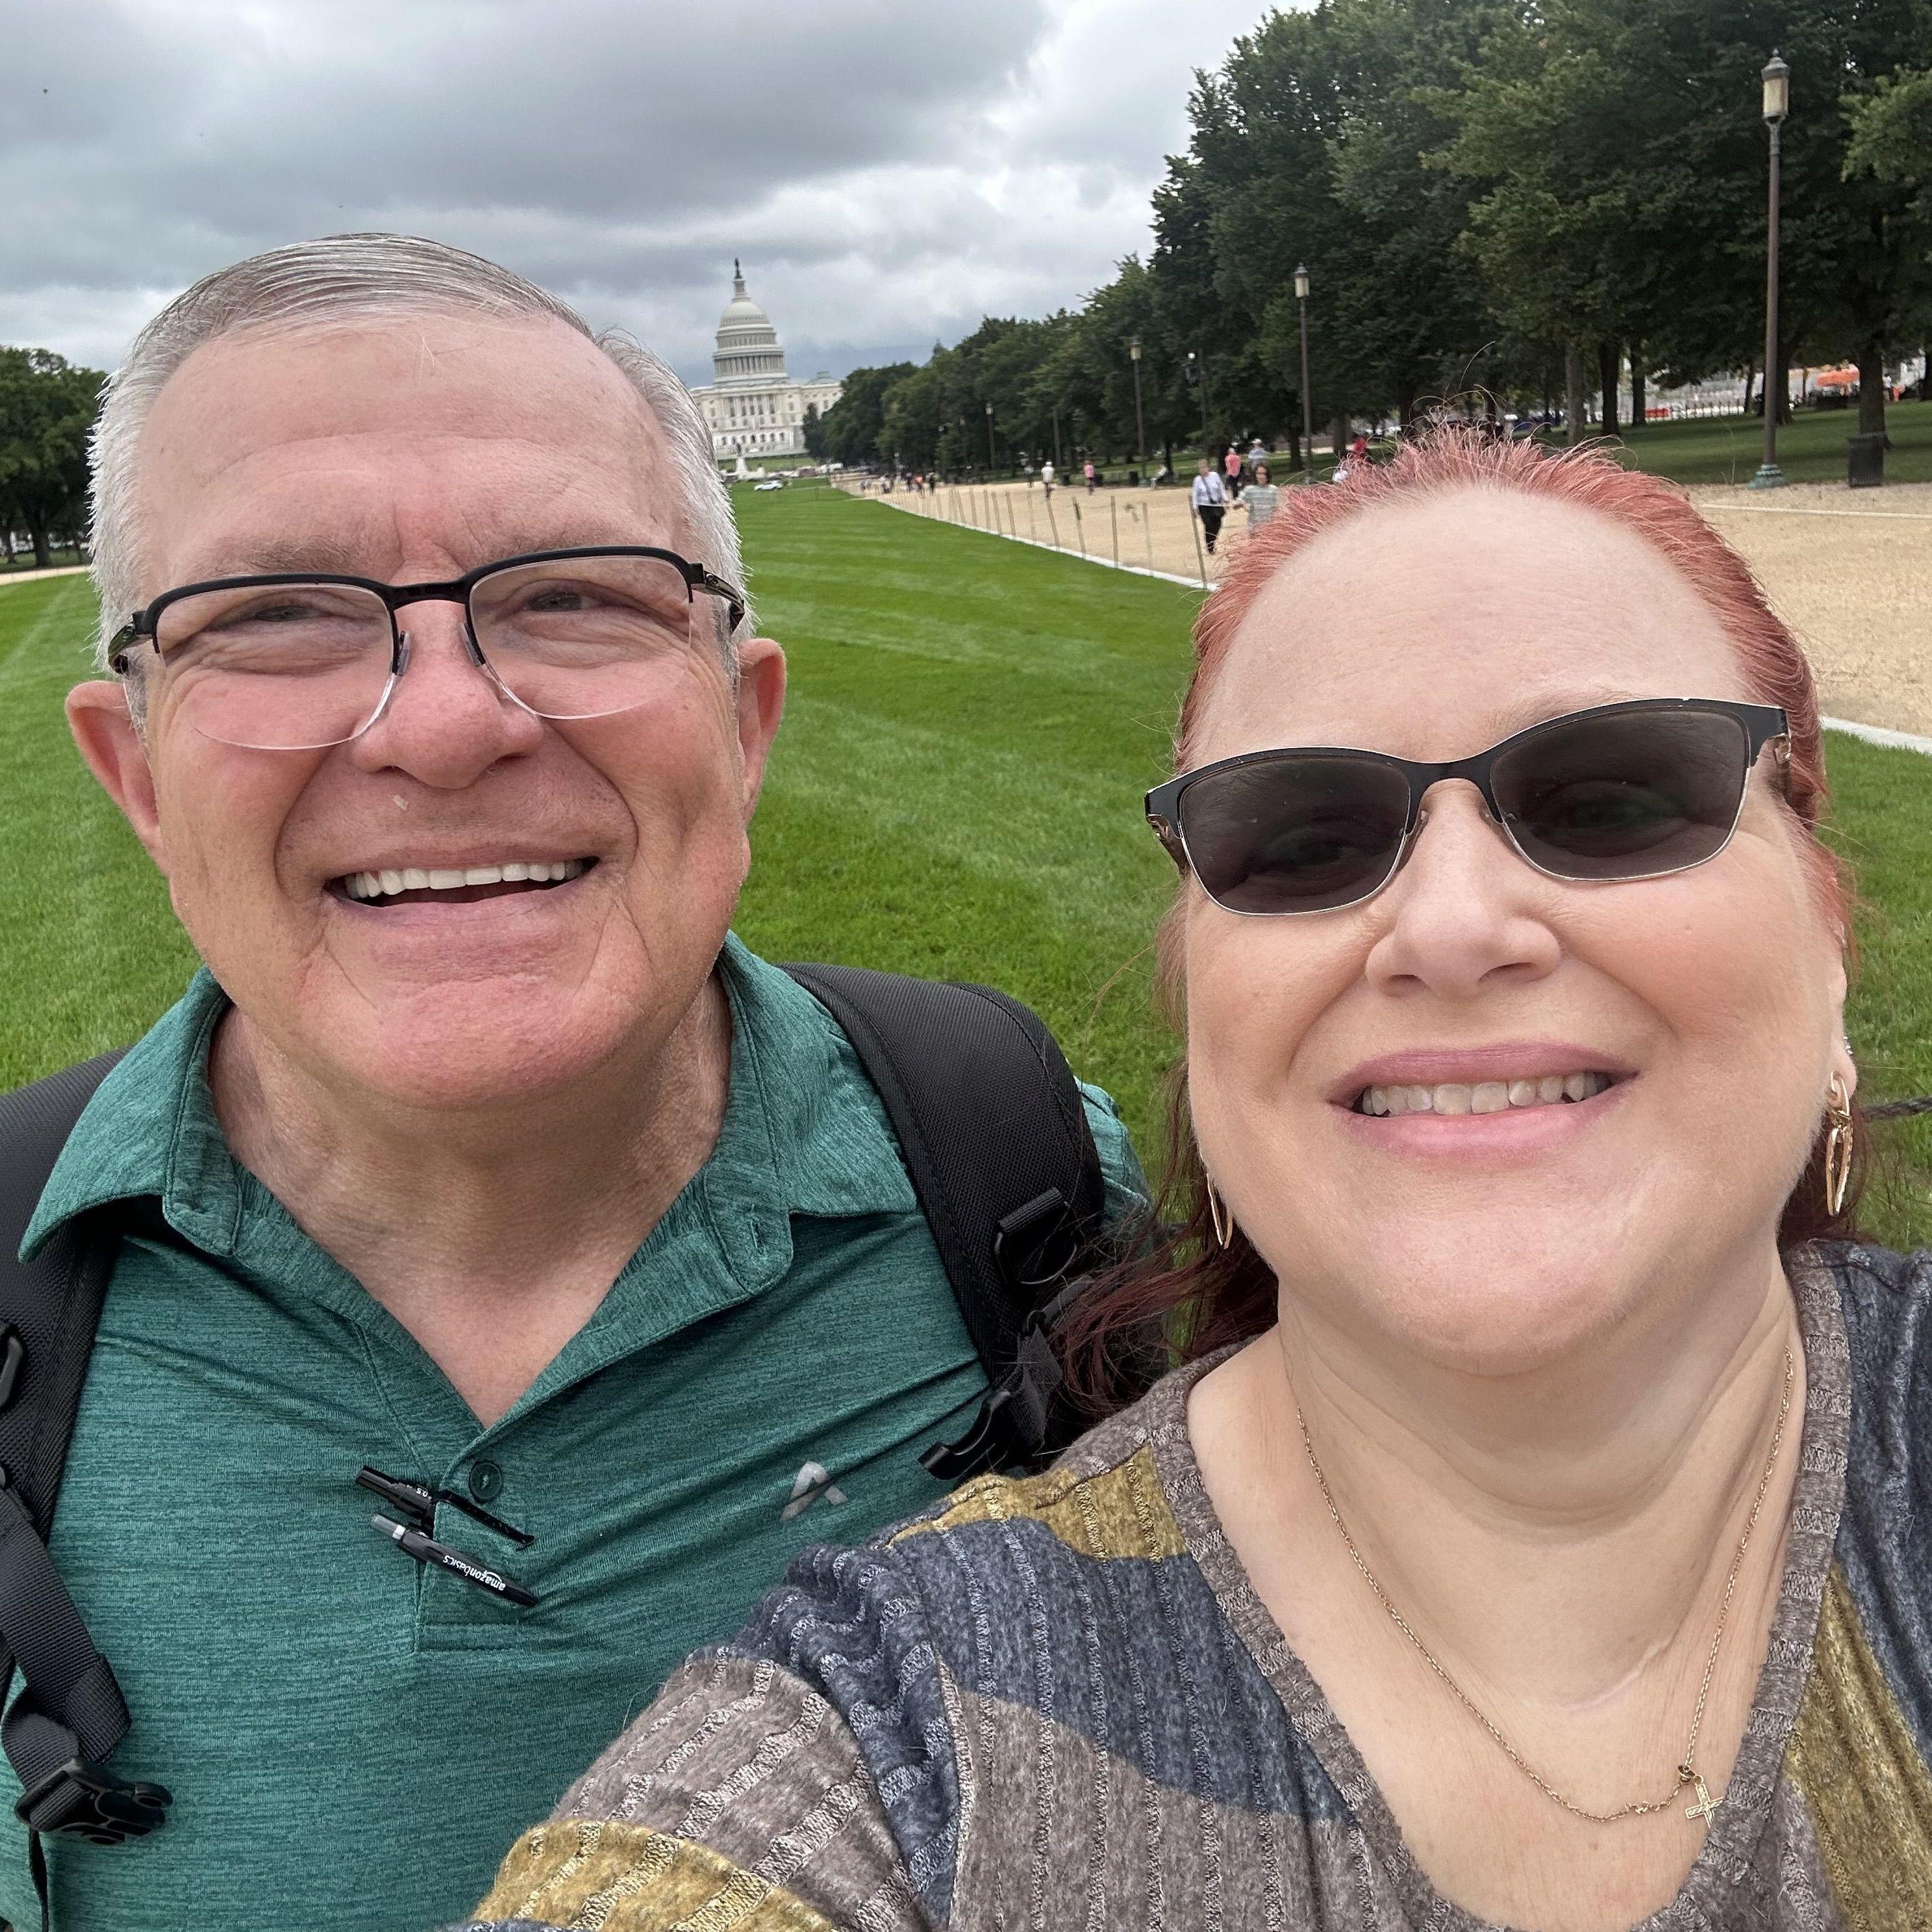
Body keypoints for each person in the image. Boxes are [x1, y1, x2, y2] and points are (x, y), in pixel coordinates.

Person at [463, 429, 1932, 1932]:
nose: (1451, 924)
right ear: (1201, 1005)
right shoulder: (894, 1744)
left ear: (1825, 942)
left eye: (1616, 797)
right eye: (1300, 837)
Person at [0, 233, 1144, 1932]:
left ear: (742, 723)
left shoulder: (1034, 1186)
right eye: (278, 615)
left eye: (573, 592)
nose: (443, 725)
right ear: (138, 773)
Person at [1192, 457, 1229, 553]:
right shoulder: (1198, 480)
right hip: (1204, 506)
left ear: (1208, 468)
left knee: (1218, 524)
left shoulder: (1215, 476)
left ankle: (1213, 540)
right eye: (1201, 468)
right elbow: (1195, 495)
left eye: (1204, 468)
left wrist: (1226, 499)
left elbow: (1221, 488)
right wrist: (1195, 508)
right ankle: (1210, 546)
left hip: (1216, 505)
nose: (1203, 470)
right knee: (1209, 525)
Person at [1243, 458, 1281, 530]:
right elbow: (1240, 502)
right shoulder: (1249, 489)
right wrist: (1244, 505)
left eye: (1264, 474)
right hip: (1254, 527)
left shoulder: (1274, 489)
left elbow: (1277, 508)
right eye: (1259, 474)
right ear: (1255, 475)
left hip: (1270, 527)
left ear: (1267, 476)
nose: (1261, 476)